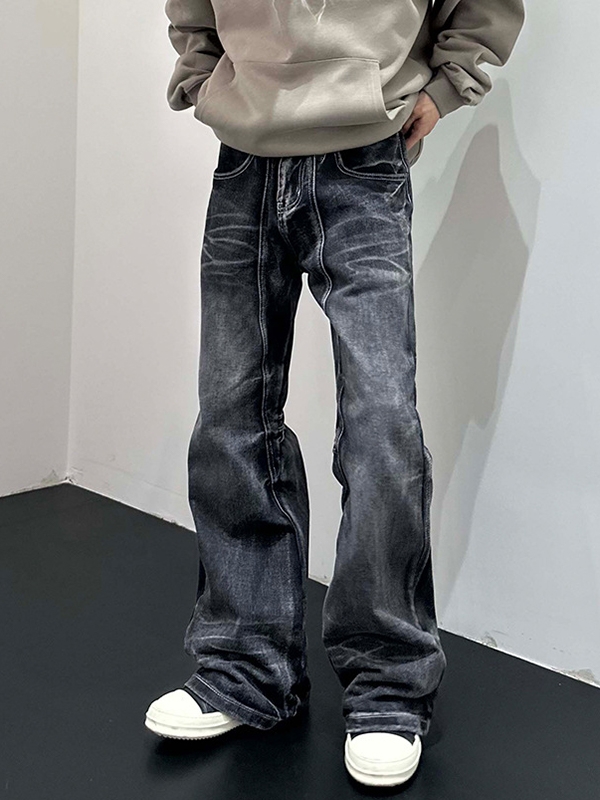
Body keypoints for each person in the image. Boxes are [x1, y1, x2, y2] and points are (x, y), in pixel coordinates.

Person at [145, 0, 525, 787]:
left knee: (381, 425)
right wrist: (203, 75)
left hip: (365, 159)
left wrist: (447, 84)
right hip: (246, 158)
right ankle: (247, 668)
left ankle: (388, 687)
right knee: (230, 419)